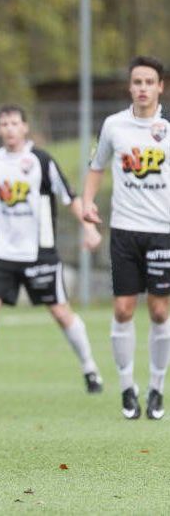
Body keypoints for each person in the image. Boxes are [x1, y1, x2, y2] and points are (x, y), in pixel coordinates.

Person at [0, 104, 104, 397]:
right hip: (1, 252)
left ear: (25, 127)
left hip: (39, 253)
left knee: (60, 312)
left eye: (14, 123)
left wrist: (89, 228)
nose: (9, 128)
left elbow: (70, 198)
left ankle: (90, 368)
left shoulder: (41, 161)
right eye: (4, 124)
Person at [83, 55, 170, 420]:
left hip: (162, 232)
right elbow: (96, 166)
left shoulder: (168, 127)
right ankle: (126, 389)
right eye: (137, 82)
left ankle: (156, 388)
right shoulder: (113, 126)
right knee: (122, 309)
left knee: (160, 310)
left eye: (149, 82)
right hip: (124, 230)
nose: (143, 88)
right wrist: (87, 205)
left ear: (160, 87)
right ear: (129, 86)